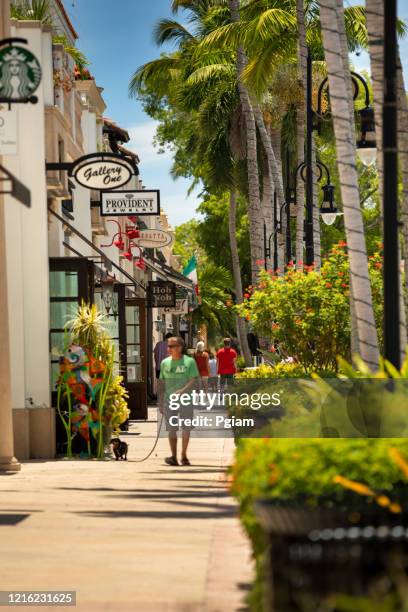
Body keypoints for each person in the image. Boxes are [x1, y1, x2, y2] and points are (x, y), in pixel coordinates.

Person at [158, 336, 199, 467]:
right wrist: (160, 402)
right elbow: (162, 382)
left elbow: (193, 379)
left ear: (180, 347)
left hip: (186, 400)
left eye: (171, 346)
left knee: (186, 428)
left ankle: (184, 455)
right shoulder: (164, 363)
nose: (168, 349)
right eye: (168, 346)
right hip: (169, 401)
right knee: (171, 429)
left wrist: (183, 390)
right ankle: (174, 456)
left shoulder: (189, 362)